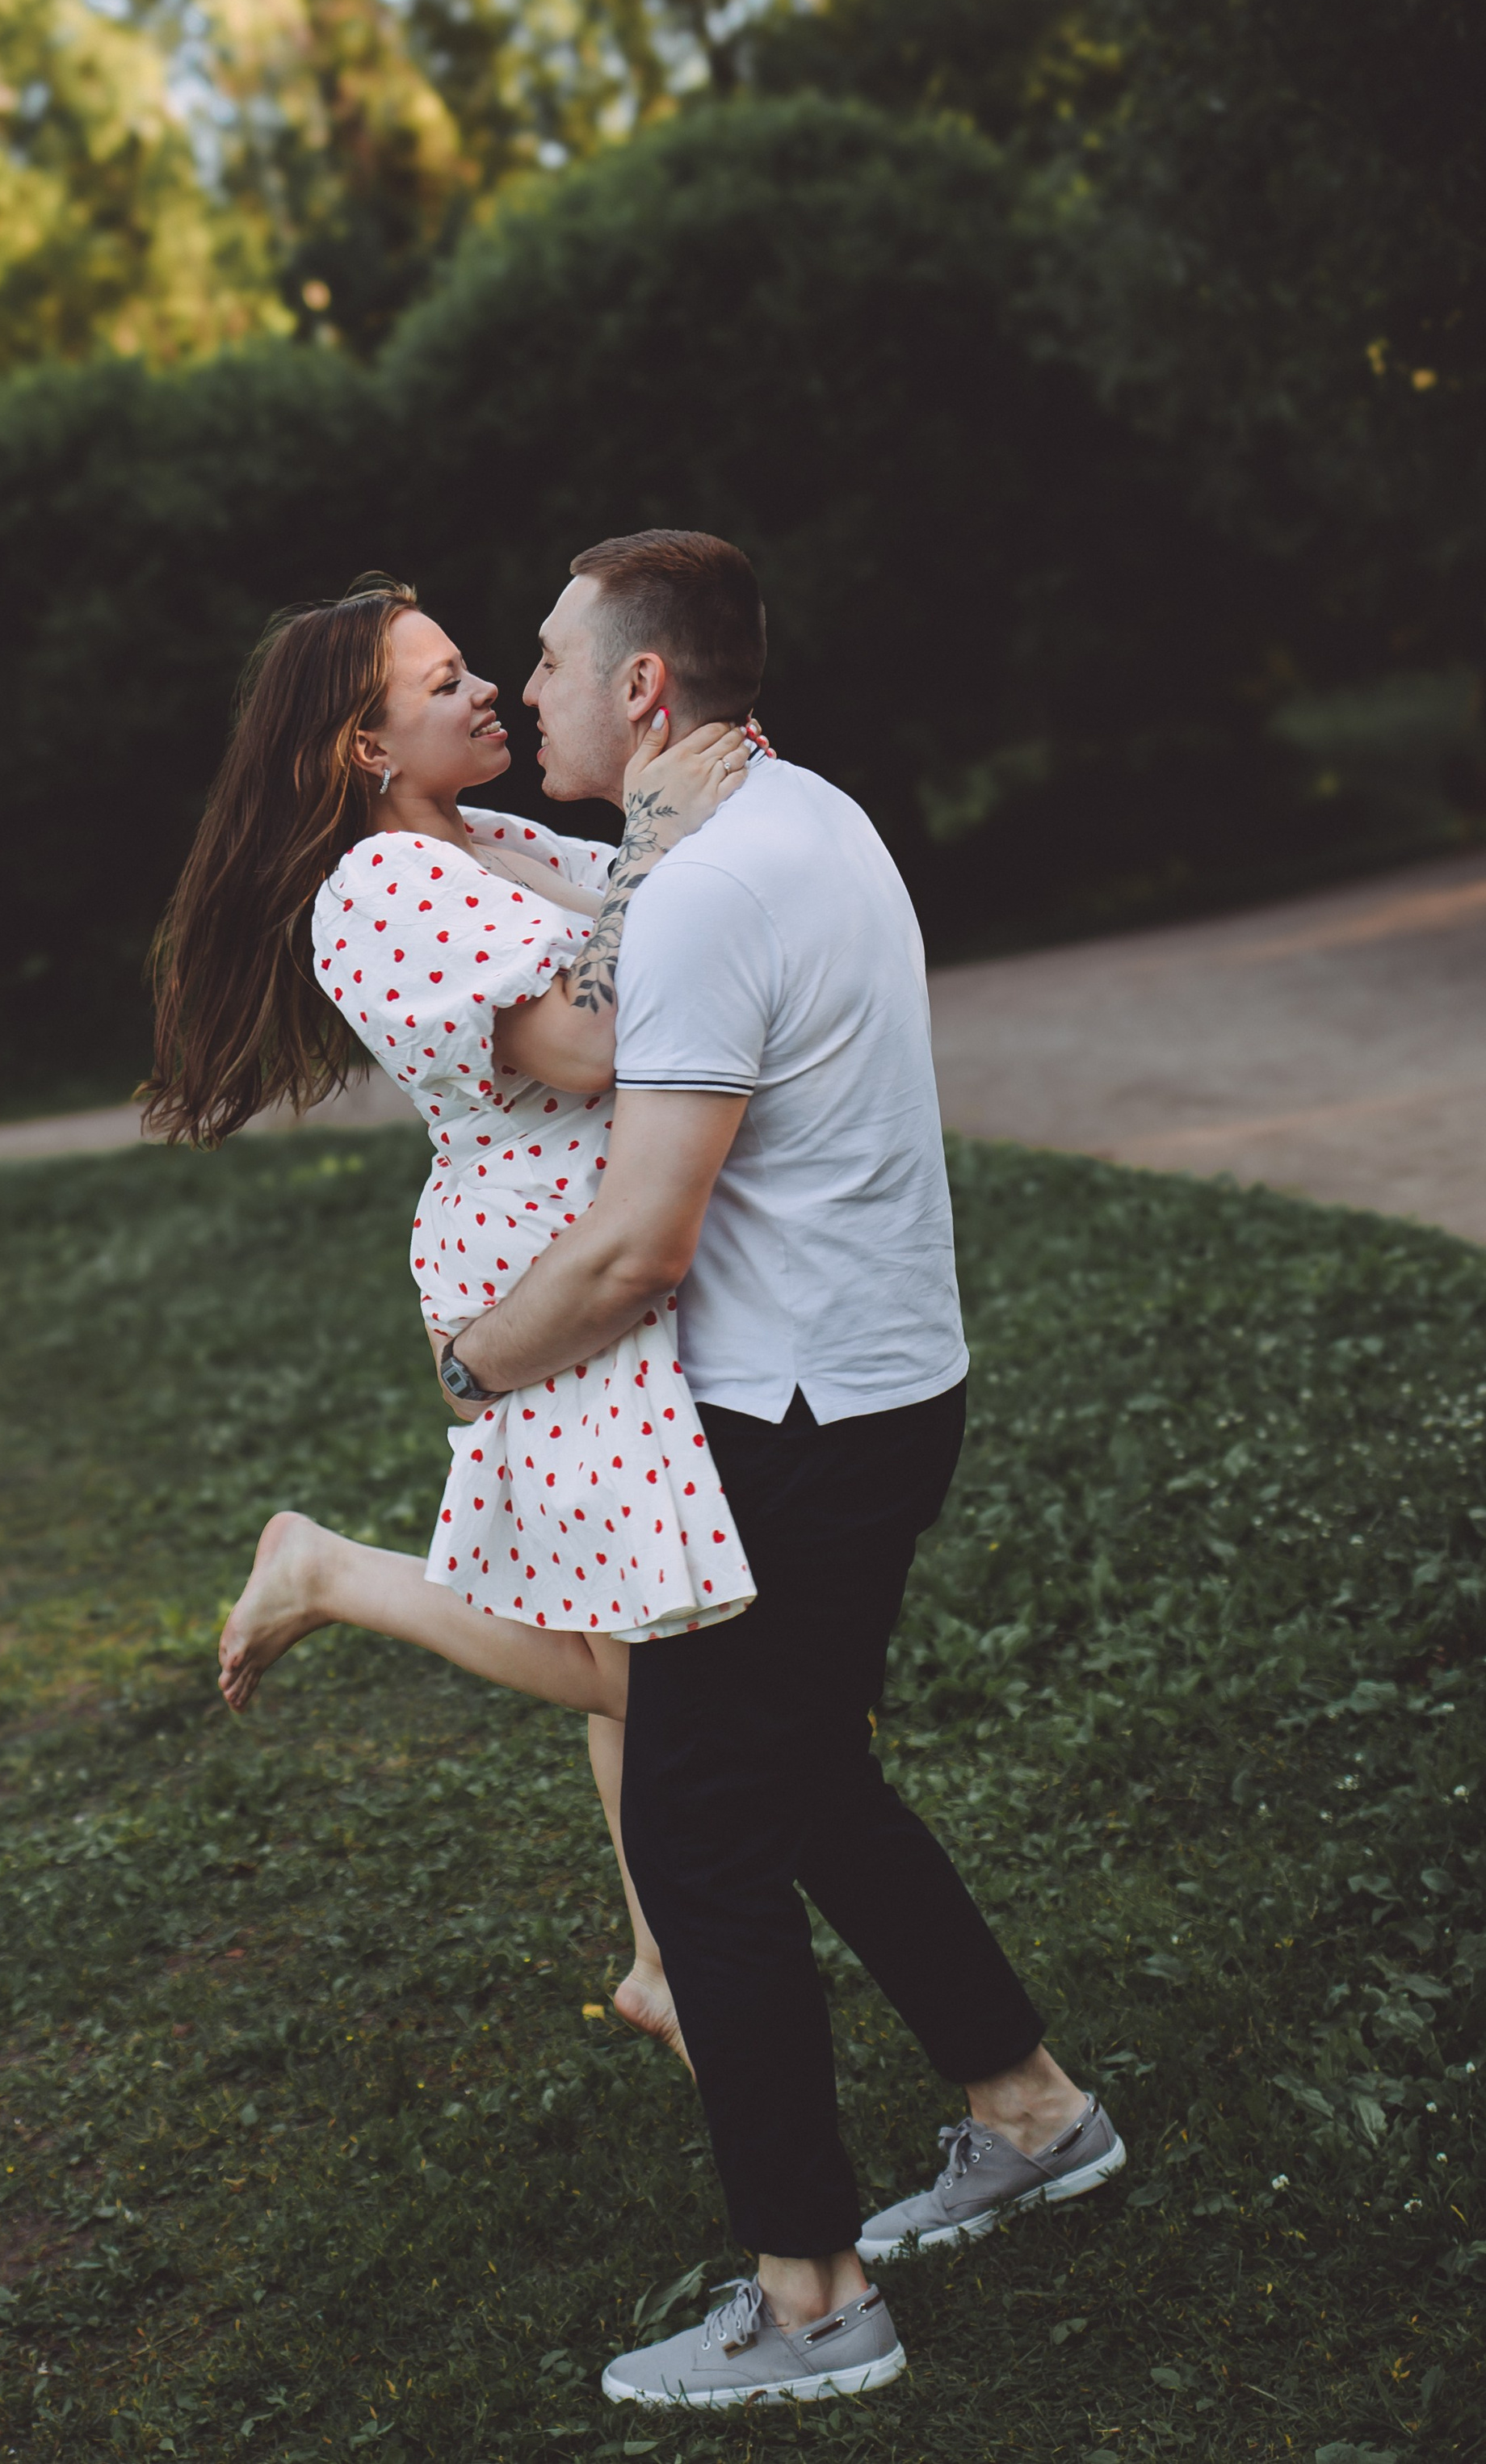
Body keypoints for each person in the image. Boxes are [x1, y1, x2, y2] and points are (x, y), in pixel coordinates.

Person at [430, 530, 1126, 2410]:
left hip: (791, 1427)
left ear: (641, 686)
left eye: (550, 660)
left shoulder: (708, 888)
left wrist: (474, 1358)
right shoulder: (809, 817)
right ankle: (1029, 2112)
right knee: (809, 1781)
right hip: (889, 1388)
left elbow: (639, 1242)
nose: (527, 689)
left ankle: (811, 2302)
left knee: (697, 1838)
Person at [145, 572, 758, 2055]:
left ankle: (662, 1961)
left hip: (589, 1245)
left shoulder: (490, 840)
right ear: (365, 747)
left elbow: (651, 923)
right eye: (442, 684)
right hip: (541, 1268)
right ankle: (332, 1572)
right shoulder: (380, 888)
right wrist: (661, 836)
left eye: (475, 666)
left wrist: (681, 829)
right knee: (639, 1656)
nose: (486, 690)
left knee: (629, 1599)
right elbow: (585, 1046)